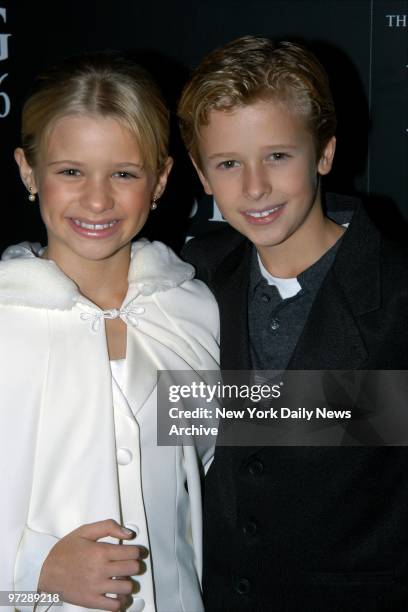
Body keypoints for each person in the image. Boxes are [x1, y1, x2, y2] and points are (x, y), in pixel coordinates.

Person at [178, 36, 408, 611]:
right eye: (229, 163)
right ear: (202, 175)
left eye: (278, 156)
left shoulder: (400, 296)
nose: (254, 188)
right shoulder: (190, 278)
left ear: (324, 154)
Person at [0, 53, 219, 612]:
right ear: (28, 171)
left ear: (161, 179)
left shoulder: (190, 309)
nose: (97, 200)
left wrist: (371, 409)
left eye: (124, 173)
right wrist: (35, 570)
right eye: (70, 171)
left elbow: (226, 450)